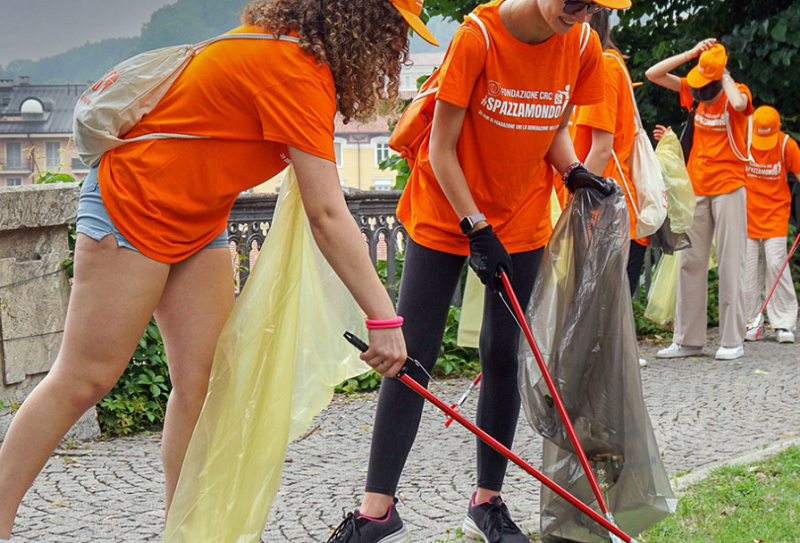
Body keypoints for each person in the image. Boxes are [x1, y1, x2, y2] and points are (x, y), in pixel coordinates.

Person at [0, 1, 438, 540]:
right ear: (362, 18)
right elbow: (326, 213)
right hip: (132, 205)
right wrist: (384, 320)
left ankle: (185, 530)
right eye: (395, 27)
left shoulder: (295, 59)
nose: (397, 44)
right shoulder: (292, 67)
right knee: (84, 377)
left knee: (203, 385)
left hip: (199, 216)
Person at [325, 1, 630, 542]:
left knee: (503, 354)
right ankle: (377, 512)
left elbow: (553, 128)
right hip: (446, 209)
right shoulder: (478, 38)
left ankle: (486, 504)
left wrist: (575, 171)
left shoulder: (581, 44)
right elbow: (441, 149)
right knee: (411, 353)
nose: (580, 13)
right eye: (573, 0)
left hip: (522, 215)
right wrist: (475, 226)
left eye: (593, 5)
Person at [647, 40, 753, 361]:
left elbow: (737, 104)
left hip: (730, 187)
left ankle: (732, 340)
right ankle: (688, 339)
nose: (698, 93)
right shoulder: (694, 89)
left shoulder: (733, 90)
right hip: (698, 187)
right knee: (690, 263)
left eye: (705, 86)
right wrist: (692, 55)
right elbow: (653, 74)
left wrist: (723, 76)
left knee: (731, 263)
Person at [570, 8, 649, 299]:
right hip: (613, 213)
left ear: (587, 18)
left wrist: (575, 205)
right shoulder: (611, 63)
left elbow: (601, 149)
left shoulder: (600, 68)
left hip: (602, 214)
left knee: (598, 322)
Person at [743, 105, 800, 344]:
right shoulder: (742, 141)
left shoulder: (787, 145)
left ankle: (784, 323)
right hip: (746, 214)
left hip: (776, 213)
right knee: (747, 268)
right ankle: (750, 322)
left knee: (777, 263)